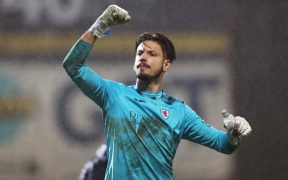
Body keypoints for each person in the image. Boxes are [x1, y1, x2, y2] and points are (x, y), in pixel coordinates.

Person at [63, 4, 252, 180]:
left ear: (166, 64)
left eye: (152, 54)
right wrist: (100, 25)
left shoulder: (180, 112)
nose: (143, 57)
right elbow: (73, 66)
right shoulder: (113, 94)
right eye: (139, 53)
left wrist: (234, 136)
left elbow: (222, 144)